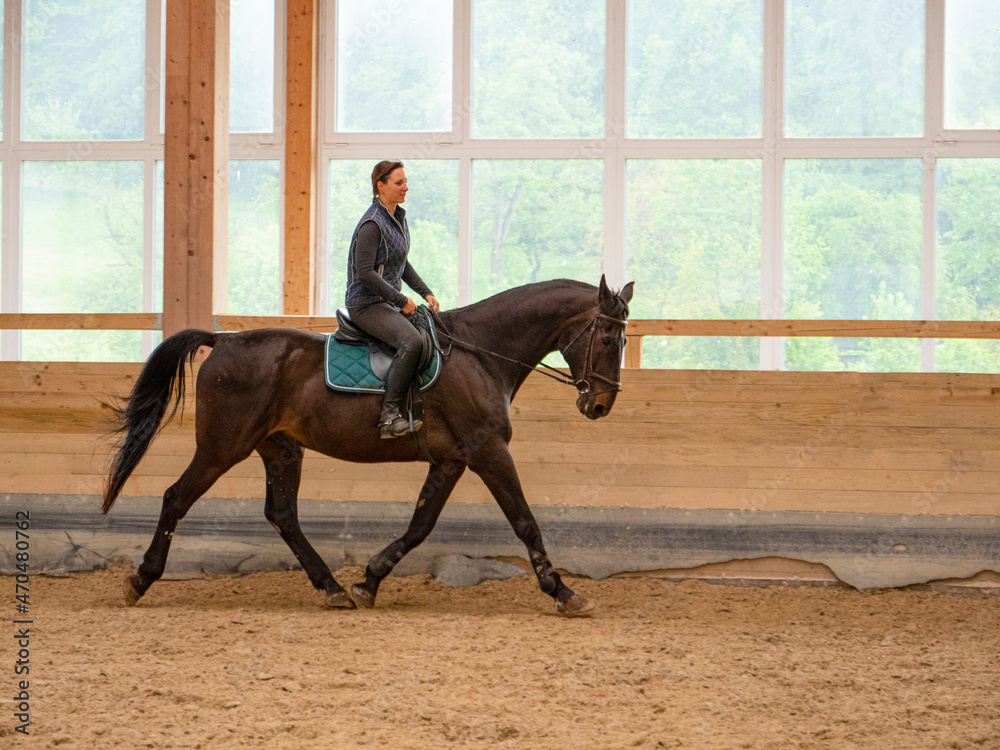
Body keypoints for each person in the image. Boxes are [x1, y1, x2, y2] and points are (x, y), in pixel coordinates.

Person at [345, 160, 440, 439]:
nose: (405, 188)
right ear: (381, 186)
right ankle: (389, 417)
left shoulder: (397, 217)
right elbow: (365, 273)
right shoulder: (372, 224)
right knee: (411, 341)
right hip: (366, 304)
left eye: (405, 182)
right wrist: (401, 300)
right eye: (399, 183)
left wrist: (426, 292)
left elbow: (401, 263)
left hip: (386, 302)